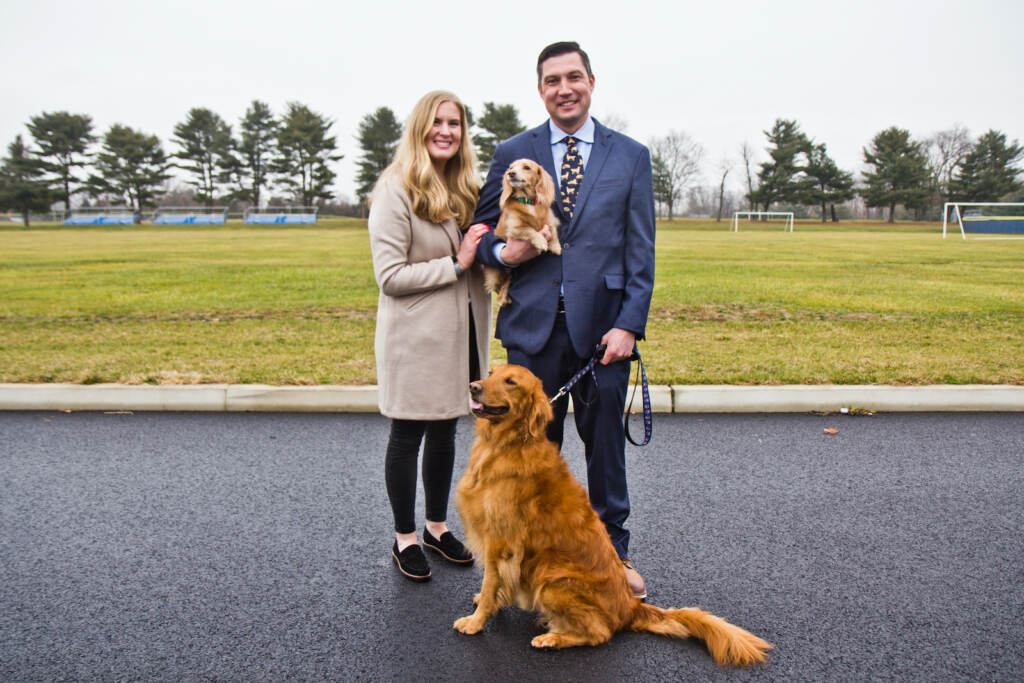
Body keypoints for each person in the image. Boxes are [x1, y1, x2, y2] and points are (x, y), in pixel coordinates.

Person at [472, 42, 656, 598]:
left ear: (592, 82)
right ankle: (522, 563)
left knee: (605, 452)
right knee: (524, 456)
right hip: (530, 333)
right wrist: (503, 256)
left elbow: (640, 250)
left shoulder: (630, 155)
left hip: (603, 332)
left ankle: (613, 557)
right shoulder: (513, 150)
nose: (564, 88)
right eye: (552, 80)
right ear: (540, 90)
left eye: (573, 77)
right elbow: (479, 232)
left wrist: (629, 323)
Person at [367, 90, 491, 582]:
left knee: (445, 430)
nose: (446, 131)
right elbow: (390, 276)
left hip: (463, 334)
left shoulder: (466, 188)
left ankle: (437, 528)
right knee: (409, 433)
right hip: (416, 338)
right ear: (420, 129)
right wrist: (454, 264)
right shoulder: (396, 189)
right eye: (437, 122)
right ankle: (405, 540)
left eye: (455, 123)